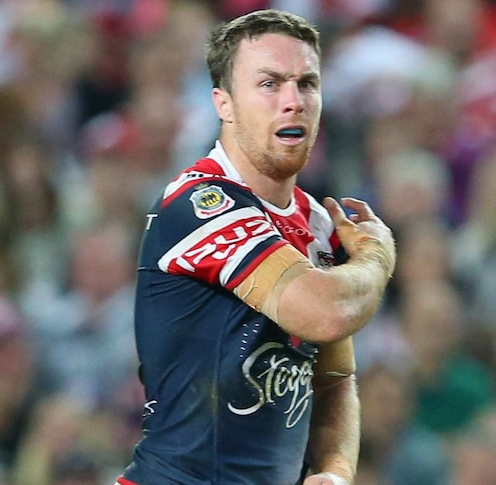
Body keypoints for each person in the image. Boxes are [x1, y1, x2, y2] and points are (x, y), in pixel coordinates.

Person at [117, 9, 396, 485]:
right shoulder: (201, 203)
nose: (293, 101)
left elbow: (333, 380)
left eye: (307, 84)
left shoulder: (319, 222)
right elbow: (324, 310)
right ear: (223, 104)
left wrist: (334, 469)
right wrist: (377, 256)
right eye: (269, 84)